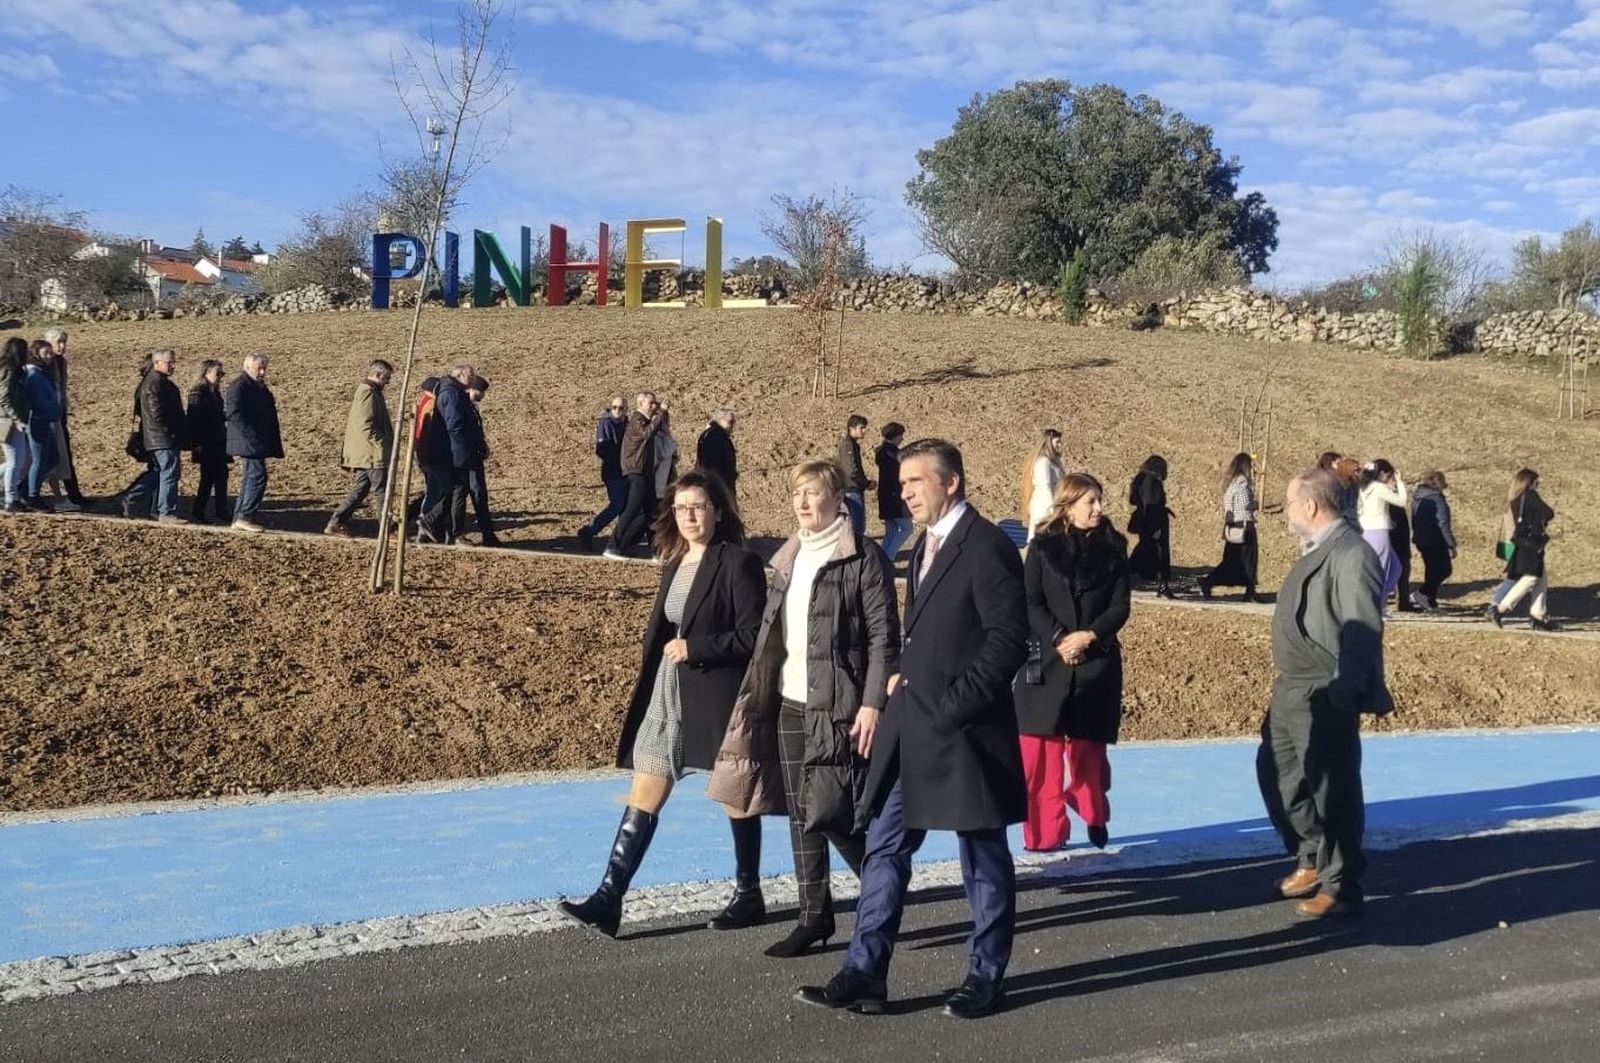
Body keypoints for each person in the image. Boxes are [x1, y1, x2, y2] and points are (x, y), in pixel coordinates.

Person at [798, 439, 1029, 1020]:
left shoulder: (988, 547)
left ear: (951, 483)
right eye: (901, 484)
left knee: (982, 858)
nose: (903, 492)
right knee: (884, 844)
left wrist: (952, 706)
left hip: (966, 731)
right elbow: (921, 632)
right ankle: (865, 971)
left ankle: (985, 976)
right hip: (912, 728)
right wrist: (899, 677)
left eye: (915, 482)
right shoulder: (923, 544)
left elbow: (1007, 644)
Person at [558, 470, 766, 938]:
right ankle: (609, 900)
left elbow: (756, 635)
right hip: (667, 691)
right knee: (645, 789)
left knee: (733, 794)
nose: (690, 515)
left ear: (717, 511)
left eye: (699, 506)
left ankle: (749, 894)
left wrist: (698, 647)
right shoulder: (674, 562)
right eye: (681, 508)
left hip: (715, 694)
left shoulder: (738, 562)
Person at [706, 458, 900, 959]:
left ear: (838, 499)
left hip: (838, 705)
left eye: (814, 493)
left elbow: (883, 638)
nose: (804, 502)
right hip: (788, 700)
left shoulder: (862, 557)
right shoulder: (788, 557)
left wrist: (872, 702)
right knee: (799, 813)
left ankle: (882, 886)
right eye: (797, 494)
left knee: (832, 811)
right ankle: (813, 914)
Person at [1258, 468, 1390, 919]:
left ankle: (1341, 883)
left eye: (1291, 504)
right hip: (1292, 689)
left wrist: (1344, 690)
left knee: (1331, 787)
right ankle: (1312, 857)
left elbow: (1361, 630)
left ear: (1311, 506)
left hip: (1325, 686)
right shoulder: (1317, 548)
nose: (1287, 514)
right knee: (1279, 774)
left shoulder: (1351, 554)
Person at [1013, 472, 1130, 853]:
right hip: (1045, 660)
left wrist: (1089, 636)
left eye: (1099, 500)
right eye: (1090, 502)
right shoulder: (1042, 549)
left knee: (1087, 758)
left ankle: (1092, 808)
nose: (1098, 508)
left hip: (1095, 662)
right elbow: (1030, 603)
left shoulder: (1114, 548)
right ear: (1068, 506)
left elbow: (1120, 606)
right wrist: (1060, 638)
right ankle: (1045, 836)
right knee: (1038, 760)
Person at [415, 364, 483, 545]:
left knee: (453, 489)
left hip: (451, 451)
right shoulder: (451, 394)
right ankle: (438, 526)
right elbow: (455, 425)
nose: (474, 378)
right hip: (454, 451)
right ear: (460, 375)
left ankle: (439, 528)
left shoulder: (452, 391)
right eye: (471, 375)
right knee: (455, 489)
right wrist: (466, 446)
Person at [325, 360, 394, 538]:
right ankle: (388, 530)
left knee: (361, 488)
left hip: (367, 452)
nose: (388, 382)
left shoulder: (370, 391)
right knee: (381, 491)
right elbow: (365, 424)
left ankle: (336, 522)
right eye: (387, 378)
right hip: (371, 453)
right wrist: (380, 444)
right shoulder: (368, 393)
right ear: (378, 375)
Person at [121, 349, 187, 522]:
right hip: (162, 437)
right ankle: (166, 512)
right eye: (169, 362)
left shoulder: (156, 382)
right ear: (157, 363)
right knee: (168, 473)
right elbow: (158, 413)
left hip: (158, 436)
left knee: (160, 472)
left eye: (173, 362)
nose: (173, 365)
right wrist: (171, 431)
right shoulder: (155, 384)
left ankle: (138, 501)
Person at [1488, 469, 1556, 631]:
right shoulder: (1531, 496)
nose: (1537, 486)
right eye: (1536, 483)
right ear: (1529, 482)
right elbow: (1548, 513)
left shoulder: (1515, 499)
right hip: (1531, 544)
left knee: (1541, 579)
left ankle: (1538, 614)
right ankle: (1500, 609)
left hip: (1520, 542)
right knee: (1531, 578)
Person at [224, 353, 283, 533]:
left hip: (252, 440)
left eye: (264, 368)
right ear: (248, 366)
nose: (263, 372)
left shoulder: (255, 386)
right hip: (248, 440)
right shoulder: (240, 386)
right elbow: (233, 412)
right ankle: (245, 516)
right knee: (258, 477)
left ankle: (239, 518)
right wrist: (251, 434)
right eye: (259, 368)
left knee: (250, 477)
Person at [603, 392, 666, 560]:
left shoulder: (645, 420)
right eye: (651, 403)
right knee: (631, 510)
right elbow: (647, 434)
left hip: (645, 473)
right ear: (640, 404)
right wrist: (659, 416)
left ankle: (656, 551)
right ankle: (612, 546)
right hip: (636, 472)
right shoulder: (637, 420)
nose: (654, 406)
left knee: (650, 513)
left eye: (655, 403)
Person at [1199, 453, 1258, 602]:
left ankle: (1209, 581)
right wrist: (1255, 504)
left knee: (1231, 561)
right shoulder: (1243, 482)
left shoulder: (1231, 483)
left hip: (1232, 527)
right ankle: (1250, 592)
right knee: (1248, 560)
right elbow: (1245, 505)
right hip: (1245, 526)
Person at [38, 328, 85, 509]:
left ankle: (72, 495)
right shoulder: (43, 364)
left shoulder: (61, 362)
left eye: (64, 341)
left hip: (59, 415)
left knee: (63, 456)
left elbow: (61, 391)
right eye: (59, 342)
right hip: (46, 417)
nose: (63, 346)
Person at [576, 397, 627, 552]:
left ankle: (620, 540)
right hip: (613, 472)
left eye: (621, 408)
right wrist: (619, 460)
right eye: (615, 407)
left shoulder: (626, 424)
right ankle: (589, 531)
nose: (617, 410)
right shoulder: (606, 424)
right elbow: (601, 449)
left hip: (624, 471)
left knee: (624, 507)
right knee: (617, 505)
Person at [1355, 459, 1407, 609]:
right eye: (1389, 475)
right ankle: (1377, 606)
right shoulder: (1378, 488)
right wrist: (1399, 482)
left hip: (1367, 531)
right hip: (1379, 532)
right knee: (1382, 570)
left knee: (1395, 567)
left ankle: (1377, 602)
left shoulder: (1364, 488)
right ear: (1383, 474)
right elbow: (1402, 501)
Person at [20, 345, 63, 512]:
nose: (49, 356)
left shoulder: (39, 372)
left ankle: (25, 489)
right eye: (46, 353)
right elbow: (41, 401)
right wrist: (54, 412)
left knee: (51, 458)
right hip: (38, 421)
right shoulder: (34, 375)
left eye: (50, 353)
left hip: (45, 420)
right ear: (35, 354)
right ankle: (32, 495)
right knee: (40, 459)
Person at [186, 360, 230, 524]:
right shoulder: (198, 393)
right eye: (217, 374)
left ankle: (218, 510)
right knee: (209, 478)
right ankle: (203, 511)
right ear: (206, 373)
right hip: (207, 442)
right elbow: (195, 420)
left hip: (216, 441)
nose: (220, 377)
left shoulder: (214, 392)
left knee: (219, 476)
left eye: (221, 374)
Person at [1126, 455, 1174, 598]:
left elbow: (1135, 501)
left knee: (1145, 551)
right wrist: (1156, 528)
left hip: (1146, 522)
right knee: (1158, 554)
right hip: (1154, 523)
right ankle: (1163, 585)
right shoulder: (1151, 482)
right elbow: (1151, 506)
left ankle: (1162, 584)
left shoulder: (1141, 479)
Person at [1410, 471, 1456, 611]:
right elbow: (1443, 524)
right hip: (1437, 541)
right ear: (1438, 484)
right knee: (1444, 570)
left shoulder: (1417, 498)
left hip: (1422, 540)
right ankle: (1422, 593)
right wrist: (1451, 545)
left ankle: (1430, 600)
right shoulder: (1438, 499)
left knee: (1431, 571)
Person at [464, 374, 499, 547]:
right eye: (479, 391)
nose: (482, 396)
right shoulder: (464, 406)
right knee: (477, 495)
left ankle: (488, 534)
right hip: (468, 459)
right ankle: (488, 535)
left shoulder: (471, 407)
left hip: (473, 457)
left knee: (479, 495)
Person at [1020, 428, 1066, 543]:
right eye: (1057, 442)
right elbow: (1045, 488)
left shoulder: (1053, 463)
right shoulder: (1043, 463)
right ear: (1049, 443)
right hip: (1045, 513)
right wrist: (1053, 511)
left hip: (1053, 511)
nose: (1060, 445)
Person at [874, 422, 913, 560]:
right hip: (896, 496)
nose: (902, 439)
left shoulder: (882, 452)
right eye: (900, 436)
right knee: (907, 528)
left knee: (891, 530)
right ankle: (888, 557)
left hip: (886, 495)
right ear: (895, 437)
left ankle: (882, 558)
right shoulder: (893, 455)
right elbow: (899, 476)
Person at [0, 337, 30, 513]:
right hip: (7, 421)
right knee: (15, 461)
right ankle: (11, 499)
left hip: (9, 420)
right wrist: (17, 419)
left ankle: (11, 496)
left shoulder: (10, 369)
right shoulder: (9, 370)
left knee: (20, 459)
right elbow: (4, 398)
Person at [836, 414, 872, 537]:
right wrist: (866, 483)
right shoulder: (848, 445)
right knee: (857, 527)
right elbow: (852, 471)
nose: (864, 431)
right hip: (852, 489)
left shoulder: (852, 444)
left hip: (851, 488)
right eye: (861, 428)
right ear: (852, 428)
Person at [696, 409, 738, 492]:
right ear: (720, 419)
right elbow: (711, 464)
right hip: (717, 487)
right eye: (730, 422)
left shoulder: (711, 435)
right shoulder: (715, 437)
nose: (733, 426)